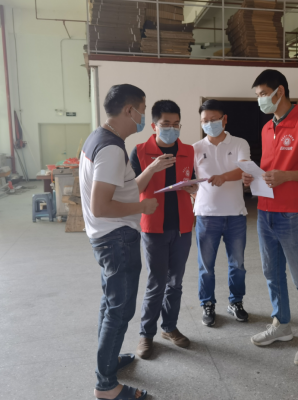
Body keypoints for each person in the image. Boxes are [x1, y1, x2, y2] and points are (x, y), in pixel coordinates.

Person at [242, 69, 298, 367]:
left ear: (279, 91)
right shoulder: (267, 127)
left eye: (262, 94)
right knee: (272, 273)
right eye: (258, 96)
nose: (260, 100)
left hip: (292, 214)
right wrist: (252, 178)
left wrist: (287, 176)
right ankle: (281, 324)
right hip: (265, 212)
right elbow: (270, 170)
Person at [80, 84, 155, 400]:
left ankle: (107, 363)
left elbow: (119, 189)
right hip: (117, 238)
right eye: (143, 110)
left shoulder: (98, 138)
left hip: (105, 237)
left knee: (110, 304)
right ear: (129, 110)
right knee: (119, 311)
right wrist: (142, 207)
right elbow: (101, 205)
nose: (143, 118)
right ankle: (106, 386)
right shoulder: (111, 149)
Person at [130, 100, 198, 360]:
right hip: (154, 227)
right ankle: (146, 334)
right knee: (156, 282)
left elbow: (192, 181)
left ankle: (169, 327)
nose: (172, 128)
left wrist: (194, 188)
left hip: (182, 226)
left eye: (176, 124)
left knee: (175, 282)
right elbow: (133, 189)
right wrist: (152, 167)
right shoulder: (139, 151)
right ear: (154, 126)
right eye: (166, 124)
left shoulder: (188, 151)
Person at [193, 99, 251, 327]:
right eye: (204, 121)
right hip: (206, 216)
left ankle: (236, 302)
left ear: (224, 119)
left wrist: (224, 177)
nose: (209, 124)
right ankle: (207, 303)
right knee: (206, 266)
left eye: (213, 119)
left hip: (235, 215)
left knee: (237, 264)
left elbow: (244, 168)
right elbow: (190, 178)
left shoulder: (239, 143)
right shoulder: (195, 148)